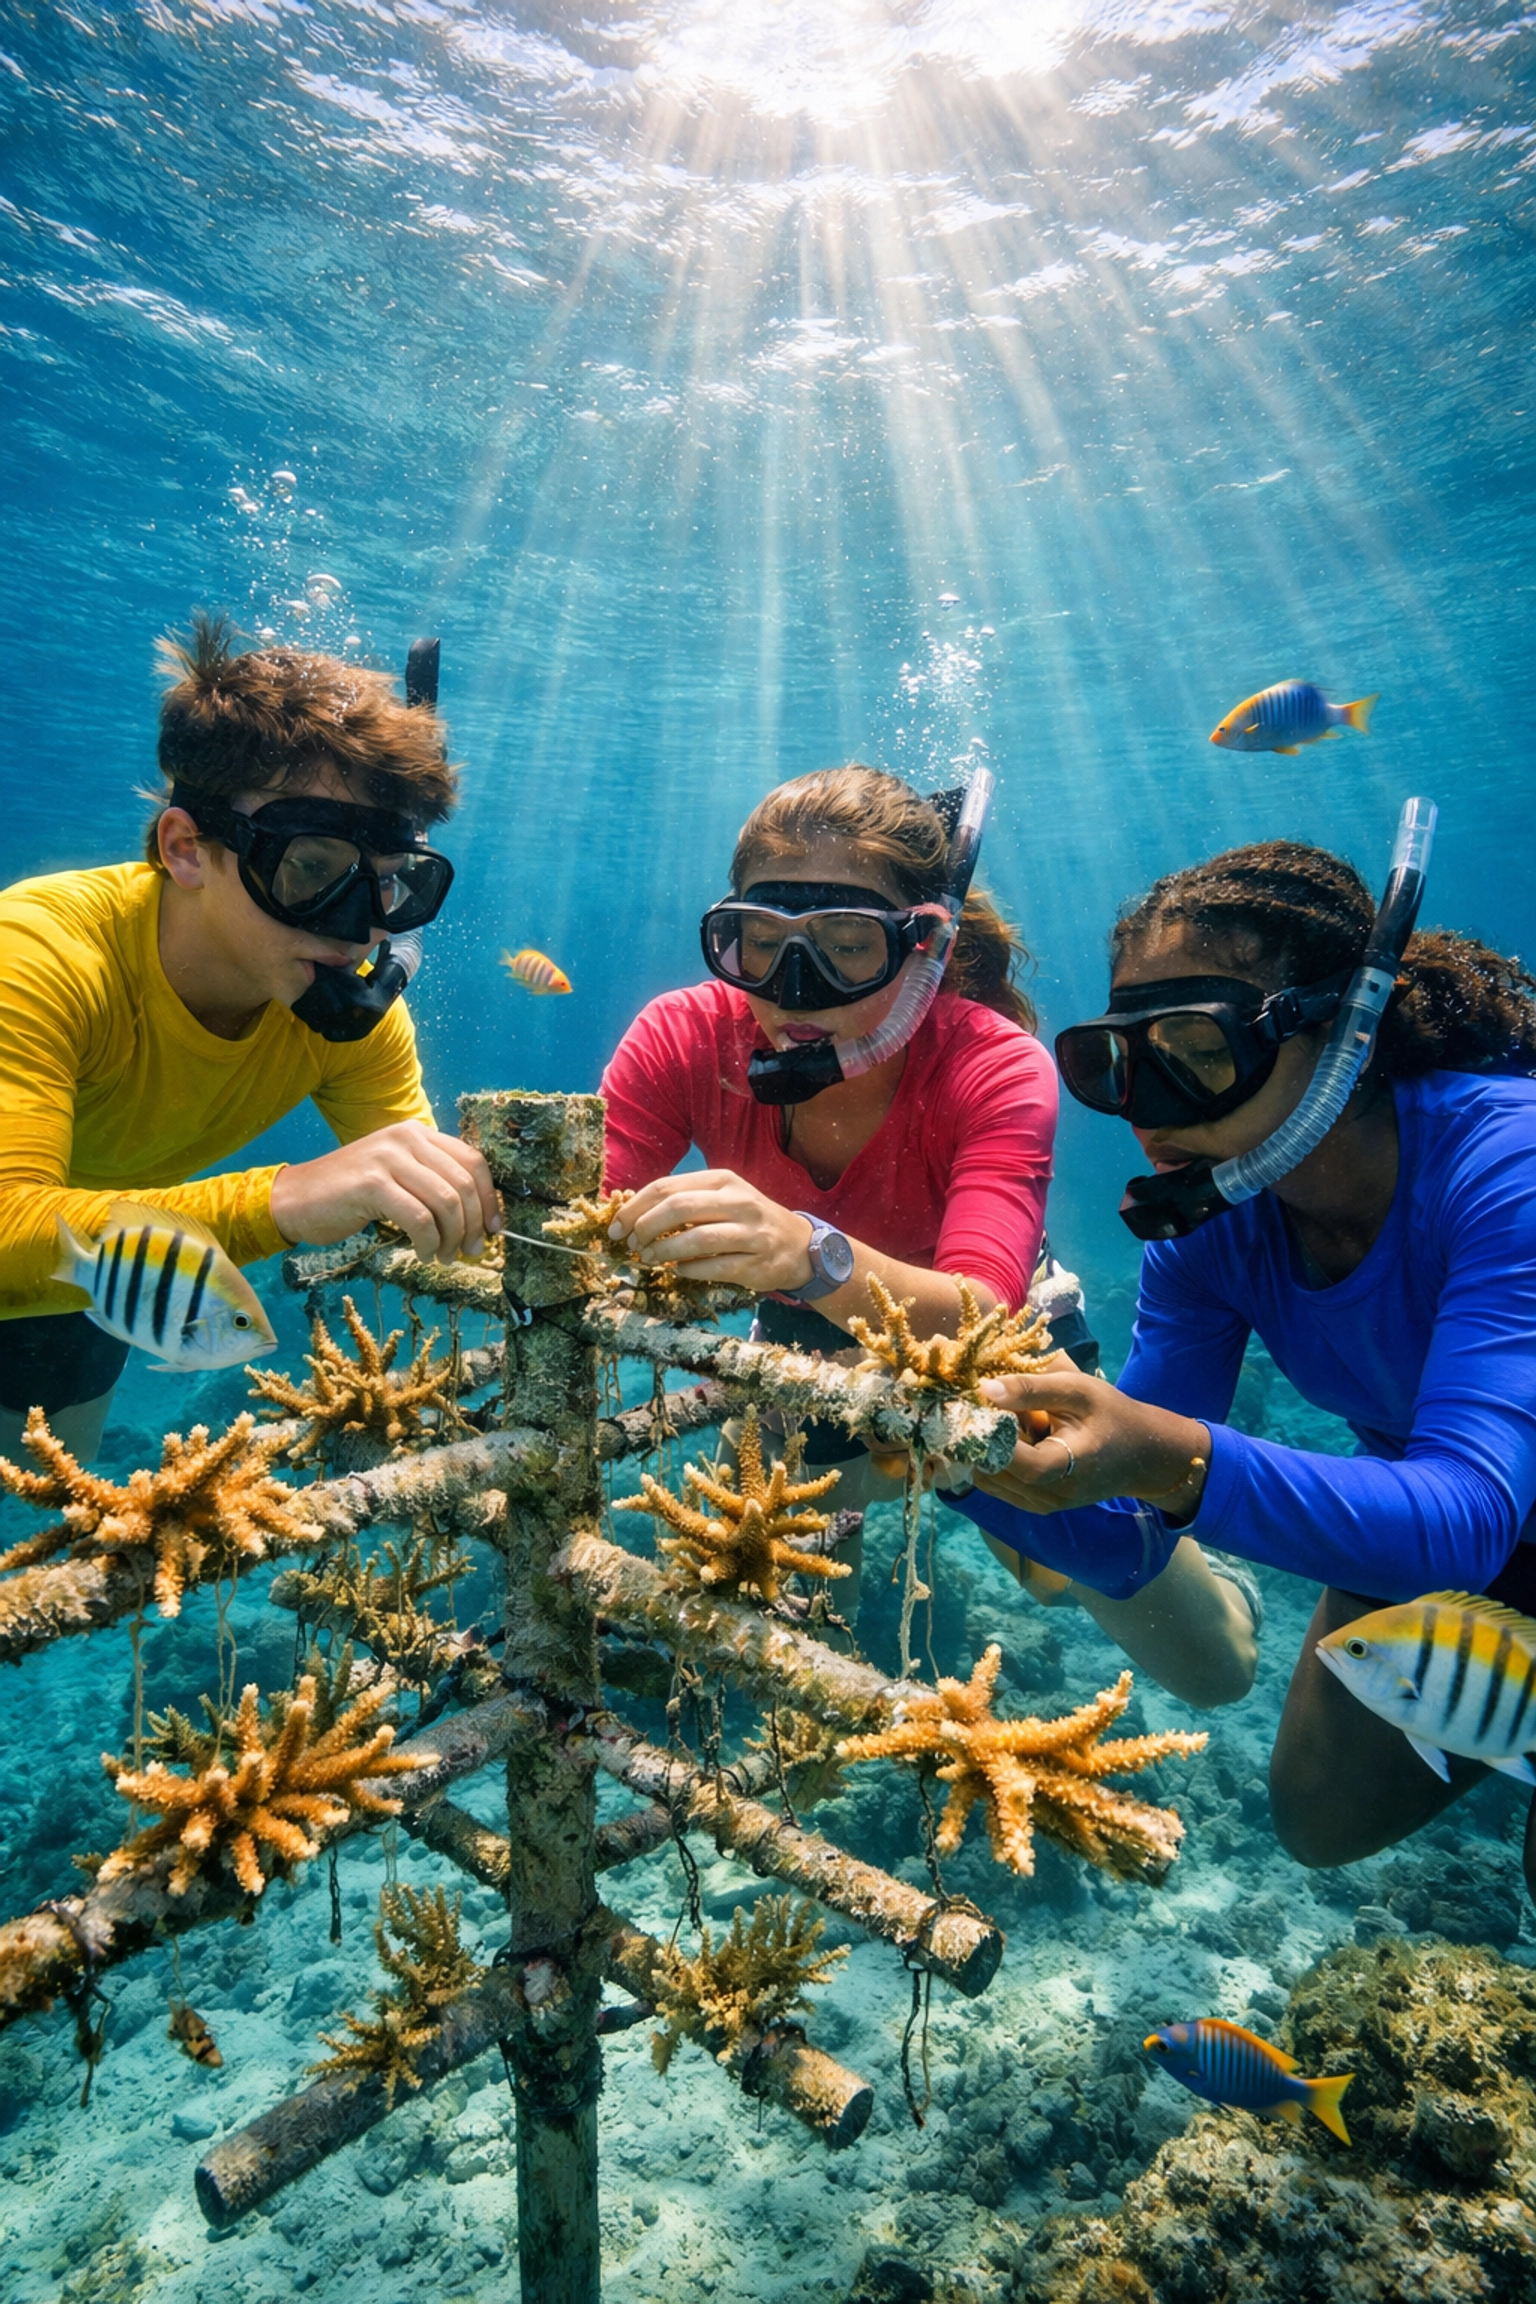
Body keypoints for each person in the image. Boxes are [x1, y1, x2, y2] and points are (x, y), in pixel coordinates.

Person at [599, 764, 1256, 1706]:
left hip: (992, 1344)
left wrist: (804, 1249)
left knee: (1202, 1667)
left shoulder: (994, 1061)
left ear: (922, 949)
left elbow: (982, 1305)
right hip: (800, 1339)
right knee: (791, 1646)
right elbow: (580, 1215)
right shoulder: (682, 1034)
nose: (794, 988)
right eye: (758, 943)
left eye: (845, 946)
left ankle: (1204, 1587)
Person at [960, 834, 1536, 1892]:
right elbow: (1117, 1522)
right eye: (1115, 1063)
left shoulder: (1510, 1165)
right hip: (1441, 1527)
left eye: (1198, 1051)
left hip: (1465, 1512)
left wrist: (1166, 1457)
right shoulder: (1214, 1216)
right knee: (1319, 1813)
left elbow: (1466, 1514)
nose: (1146, 1108)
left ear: (1347, 1028)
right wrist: (948, 1440)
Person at [0, 615, 499, 1463]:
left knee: (33, 1517)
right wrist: (287, 1199)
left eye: (390, 887)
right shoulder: (36, 956)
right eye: (310, 867)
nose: (360, 933)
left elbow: (429, 1202)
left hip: (103, 1276)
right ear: (186, 847)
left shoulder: (344, 1011)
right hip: (78, 1245)